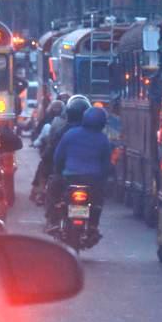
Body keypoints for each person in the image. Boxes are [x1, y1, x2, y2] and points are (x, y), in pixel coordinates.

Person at [46, 106, 113, 233]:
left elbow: (58, 157)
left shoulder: (70, 134)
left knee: (53, 189)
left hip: (70, 178)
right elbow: (106, 164)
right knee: (97, 202)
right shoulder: (103, 139)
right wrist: (104, 179)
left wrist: (58, 172)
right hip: (93, 180)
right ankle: (93, 225)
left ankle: (53, 220)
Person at [43, 95, 92, 225]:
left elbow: (56, 154)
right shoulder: (97, 134)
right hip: (91, 178)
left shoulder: (66, 132)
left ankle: (53, 221)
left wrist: (57, 169)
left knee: (52, 189)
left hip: (67, 176)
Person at [30, 99, 64, 202]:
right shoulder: (68, 125)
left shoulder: (48, 125)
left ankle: (39, 193)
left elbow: (40, 138)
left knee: (42, 170)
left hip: (53, 156)